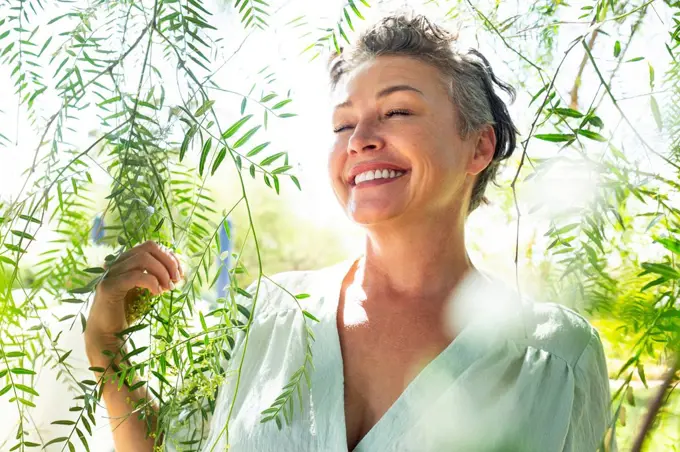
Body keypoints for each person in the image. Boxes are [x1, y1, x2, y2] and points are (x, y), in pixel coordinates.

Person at [85, 13, 614, 452]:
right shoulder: (264, 314)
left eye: (398, 111)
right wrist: (106, 346)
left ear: (478, 147)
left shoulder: (556, 358)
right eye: (342, 124)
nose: (359, 140)